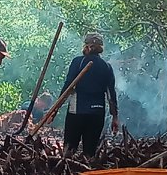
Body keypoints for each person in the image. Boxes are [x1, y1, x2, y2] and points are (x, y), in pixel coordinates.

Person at [40, 32, 118, 160]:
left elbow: (68, 87)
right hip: (97, 113)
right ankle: (87, 172)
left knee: (69, 150)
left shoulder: (78, 62)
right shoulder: (107, 67)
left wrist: (54, 110)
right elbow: (111, 94)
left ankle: (66, 174)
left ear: (86, 46)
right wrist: (115, 117)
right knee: (90, 152)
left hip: (77, 112)